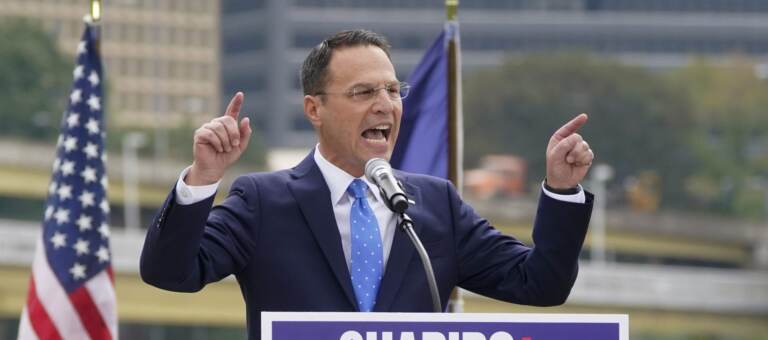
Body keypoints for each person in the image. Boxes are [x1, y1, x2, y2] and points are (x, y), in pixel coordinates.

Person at [140, 29, 595, 340]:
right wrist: (203, 179)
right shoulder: (263, 202)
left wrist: (561, 189)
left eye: (393, 91)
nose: (385, 105)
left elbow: (542, 284)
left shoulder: (435, 204)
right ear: (314, 109)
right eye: (363, 93)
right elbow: (170, 273)